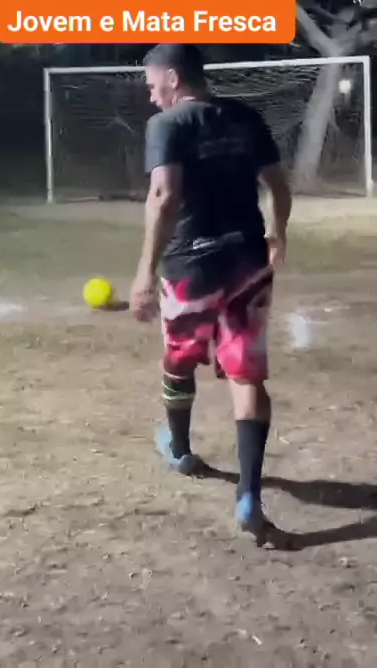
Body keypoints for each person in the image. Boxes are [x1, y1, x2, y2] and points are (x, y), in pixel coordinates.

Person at [130, 43, 292, 543]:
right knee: (246, 374)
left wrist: (144, 272)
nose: (152, 96)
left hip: (191, 266)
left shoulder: (167, 125)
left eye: (153, 85)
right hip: (247, 261)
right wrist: (277, 233)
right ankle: (249, 496)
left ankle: (180, 449)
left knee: (179, 360)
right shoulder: (245, 116)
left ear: (174, 78)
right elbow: (278, 186)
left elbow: (164, 195)